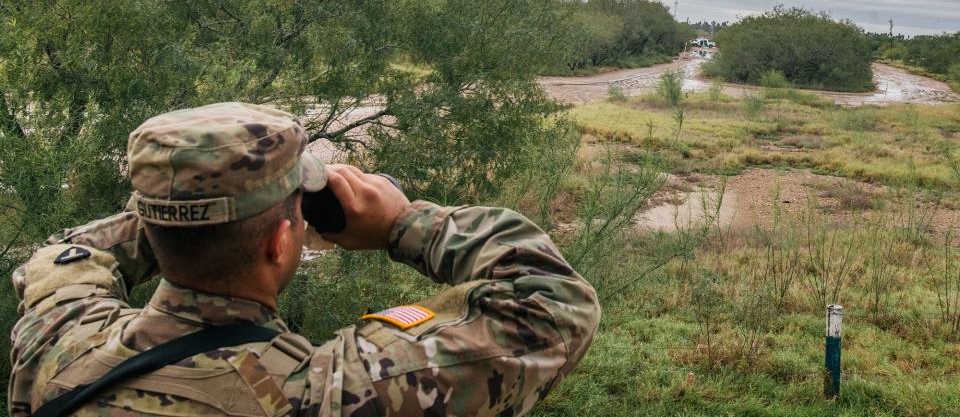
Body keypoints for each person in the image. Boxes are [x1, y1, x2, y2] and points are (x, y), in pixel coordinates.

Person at [8, 102, 600, 416]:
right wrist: (401, 223)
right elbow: (553, 303)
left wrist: (185, 207)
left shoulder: (59, 343)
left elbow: (64, 258)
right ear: (278, 244)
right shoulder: (323, 395)